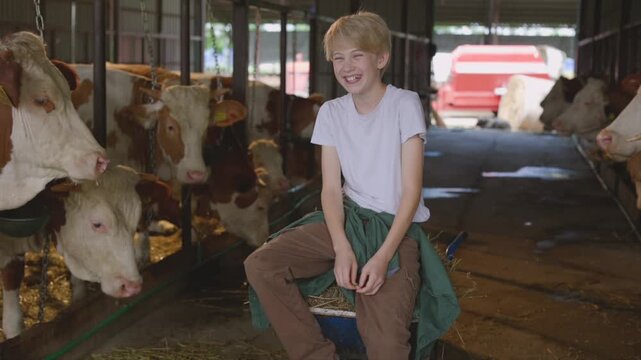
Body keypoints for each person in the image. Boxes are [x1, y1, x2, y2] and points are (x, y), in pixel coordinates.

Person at [244, 11, 459, 360]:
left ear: (381, 58)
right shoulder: (331, 112)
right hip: (346, 218)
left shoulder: (403, 104)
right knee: (261, 265)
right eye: (338, 58)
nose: (347, 66)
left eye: (357, 55)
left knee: (387, 345)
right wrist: (342, 247)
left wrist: (381, 257)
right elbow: (330, 190)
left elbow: (410, 192)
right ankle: (315, 354)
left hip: (393, 230)